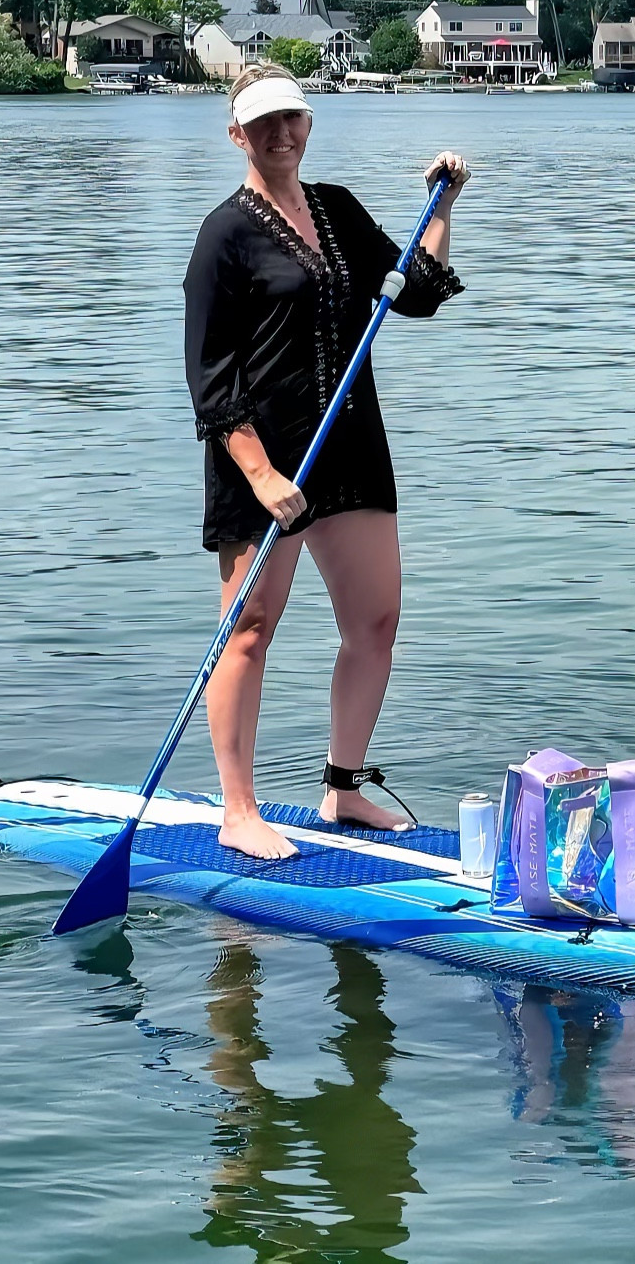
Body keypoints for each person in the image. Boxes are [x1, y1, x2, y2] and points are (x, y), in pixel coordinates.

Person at [184, 63, 469, 859]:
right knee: (248, 629)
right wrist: (262, 473)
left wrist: (441, 206)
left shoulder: (338, 209)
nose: (282, 133)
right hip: (265, 464)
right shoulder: (223, 236)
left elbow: (416, 292)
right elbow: (209, 381)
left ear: (308, 124)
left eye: (293, 118)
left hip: (349, 451)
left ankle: (343, 789)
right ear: (237, 133)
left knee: (376, 621)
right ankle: (237, 808)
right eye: (264, 122)